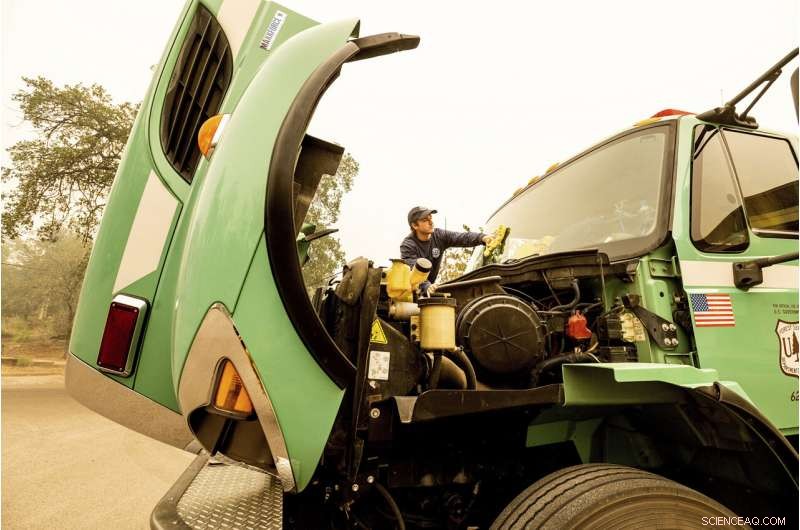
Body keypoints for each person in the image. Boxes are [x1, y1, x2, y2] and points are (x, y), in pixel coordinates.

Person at [400, 206, 492, 293]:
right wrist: (426, 286)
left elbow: (462, 237)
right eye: (425, 220)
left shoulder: (439, 235)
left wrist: (482, 238)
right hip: (409, 291)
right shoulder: (408, 245)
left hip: (429, 288)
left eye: (431, 218)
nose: (431, 222)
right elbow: (414, 271)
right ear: (415, 225)